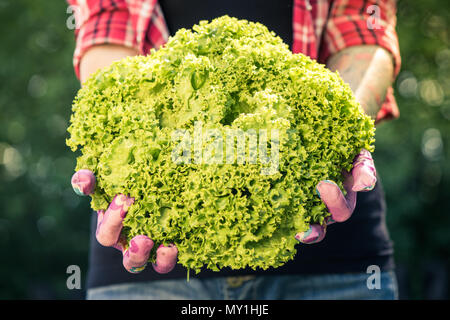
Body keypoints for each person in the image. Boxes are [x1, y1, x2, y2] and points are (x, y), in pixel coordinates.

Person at [68, 0, 401, 300]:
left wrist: (338, 138)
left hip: (336, 262)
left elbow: (364, 25)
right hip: (147, 266)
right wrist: (114, 142)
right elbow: (106, 21)